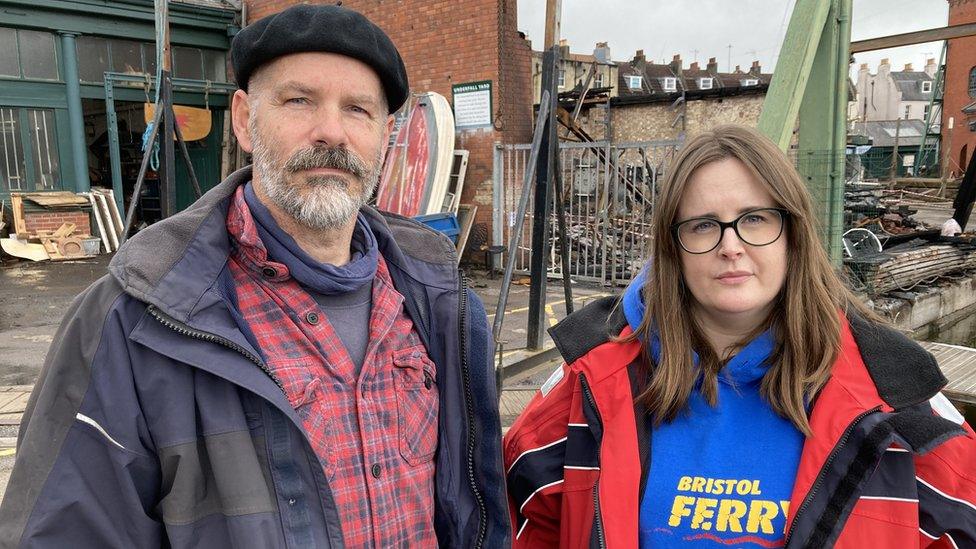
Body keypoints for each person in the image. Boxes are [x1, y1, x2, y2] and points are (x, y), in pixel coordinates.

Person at [0, 5, 509, 548]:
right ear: (244, 119)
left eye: (358, 110)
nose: (331, 132)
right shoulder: (129, 322)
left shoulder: (440, 302)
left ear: (385, 136)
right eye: (298, 101)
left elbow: (473, 505)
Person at [504, 125, 976, 548]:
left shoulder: (894, 399)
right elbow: (515, 516)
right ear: (674, 247)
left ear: (792, 233)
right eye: (704, 224)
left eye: (754, 219)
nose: (731, 246)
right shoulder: (589, 385)